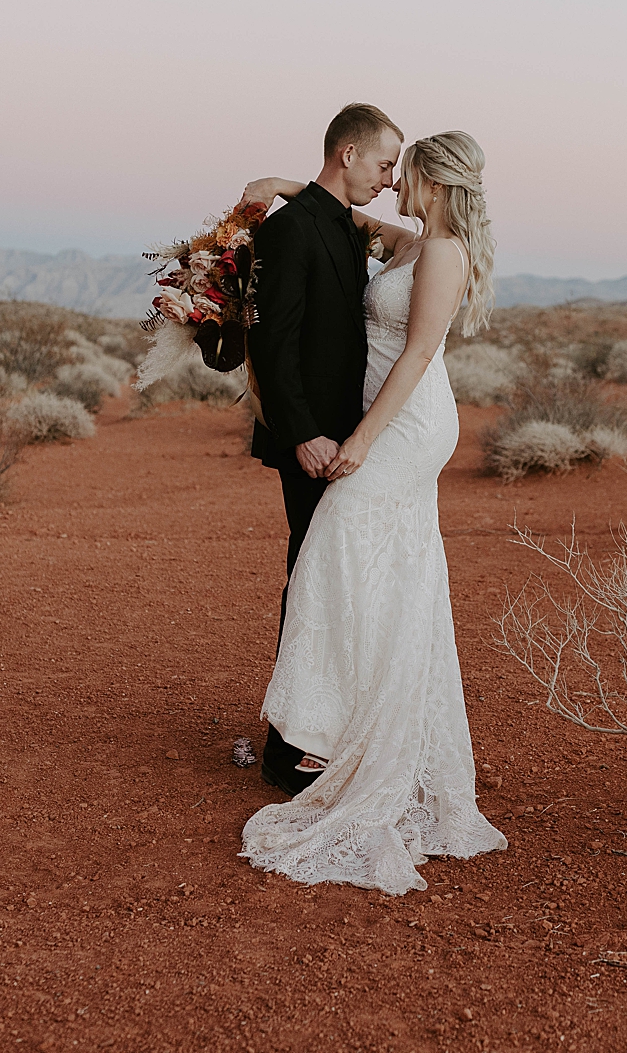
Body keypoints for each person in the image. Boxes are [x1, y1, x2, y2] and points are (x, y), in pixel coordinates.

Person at [236, 129, 507, 894]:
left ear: (436, 181)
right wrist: (283, 186)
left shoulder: (445, 256)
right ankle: (348, 728)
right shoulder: (417, 241)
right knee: (375, 569)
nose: (394, 184)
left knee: (335, 548)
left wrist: (358, 439)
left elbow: (418, 357)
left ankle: (334, 735)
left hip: (406, 428)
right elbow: (350, 217)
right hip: (392, 425)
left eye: (405, 172)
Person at [242, 103, 403, 796]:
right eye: (385, 163)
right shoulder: (291, 231)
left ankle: (322, 723)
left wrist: (282, 180)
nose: (391, 178)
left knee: (332, 577)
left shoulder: (337, 224)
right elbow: (270, 344)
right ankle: (289, 747)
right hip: (312, 440)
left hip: (345, 439)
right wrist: (301, 433)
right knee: (308, 576)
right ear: (348, 155)